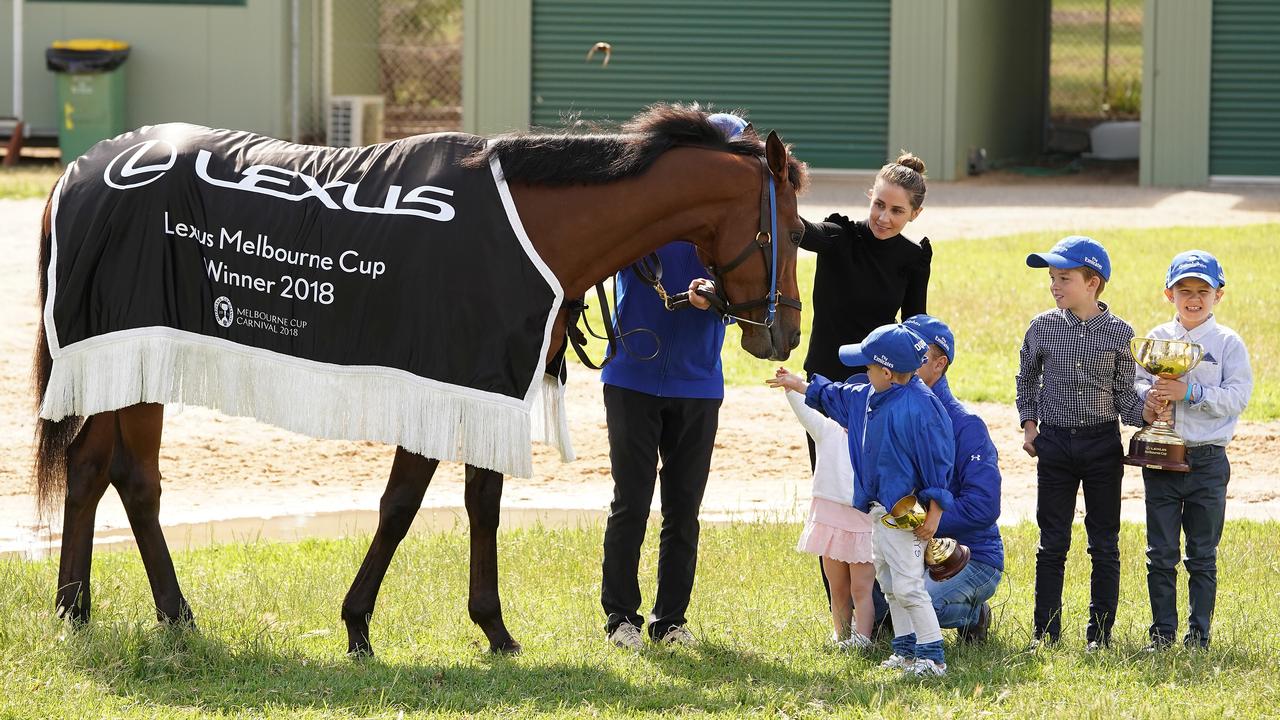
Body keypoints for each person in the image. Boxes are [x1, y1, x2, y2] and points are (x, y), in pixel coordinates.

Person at [598, 112, 748, 650]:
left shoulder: (730, 226)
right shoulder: (647, 208)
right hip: (630, 379)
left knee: (683, 512)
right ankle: (620, 617)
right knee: (631, 504)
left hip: (698, 386)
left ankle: (670, 620)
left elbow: (748, 296)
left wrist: (721, 299)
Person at [799, 152, 933, 631]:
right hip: (827, 390)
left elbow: (916, 330)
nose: (883, 217)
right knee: (835, 498)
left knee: (877, 499)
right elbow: (797, 229)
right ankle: (843, 617)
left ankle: (877, 611)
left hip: (880, 392)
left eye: (897, 211)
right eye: (879, 205)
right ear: (869, 199)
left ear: (914, 214)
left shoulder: (913, 259)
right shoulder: (841, 236)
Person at [784, 323, 956, 677]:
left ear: (888, 373)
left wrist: (935, 511)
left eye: (868, 366)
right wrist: (800, 385)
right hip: (878, 510)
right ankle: (906, 650)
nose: (864, 371)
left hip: (906, 512)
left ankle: (932, 655)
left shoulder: (921, 408)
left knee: (909, 584)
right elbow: (835, 397)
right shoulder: (868, 396)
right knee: (890, 582)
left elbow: (938, 460)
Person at [1016, 235, 1154, 651]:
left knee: (1104, 542)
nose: (1054, 286)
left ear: (1092, 282)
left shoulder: (1120, 333)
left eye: (1064, 278)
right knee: (1051, 542)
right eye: (1052, 279)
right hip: (1054, 445)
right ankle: (1046, 632)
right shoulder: (1042, 326)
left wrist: (1148, 414)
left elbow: (1126, 396)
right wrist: (1029, 425)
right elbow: (1028, 377)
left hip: (1101, 446)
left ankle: (1100, 634)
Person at [1133, 250, 1252, 651]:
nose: (1194, 298)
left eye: (1203, 290)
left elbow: (1238, 397)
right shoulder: (1157, 339)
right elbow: (1137, 383)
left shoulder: (1227, 343)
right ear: (1169, 294)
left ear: (1219, 294)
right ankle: (1162, 635)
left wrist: (1192, 392)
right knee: (1160, 552)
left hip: (1207, 460)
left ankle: (1198, 636)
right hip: (1162, 458)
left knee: (1202, 554)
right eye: (1185, 290)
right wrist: (1151, 400)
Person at [903, 314, 1004, 643]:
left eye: (915, 355)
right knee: (884, 605)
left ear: (939, 364)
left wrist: (923, 521)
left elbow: (983, 507)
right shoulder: (893, 413)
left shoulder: (967, 425)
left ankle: (975, 614)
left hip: (971, 555)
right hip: (911, 548)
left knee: (921, 607)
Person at [767, 367, 875, 651]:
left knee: (862, 587)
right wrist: (791, 387)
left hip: (863, 520)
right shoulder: (827, 430)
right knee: (837, 587)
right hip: (829, 518)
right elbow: (806, 411)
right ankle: (841, 635)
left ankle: (863, 639)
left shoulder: (877, 437)